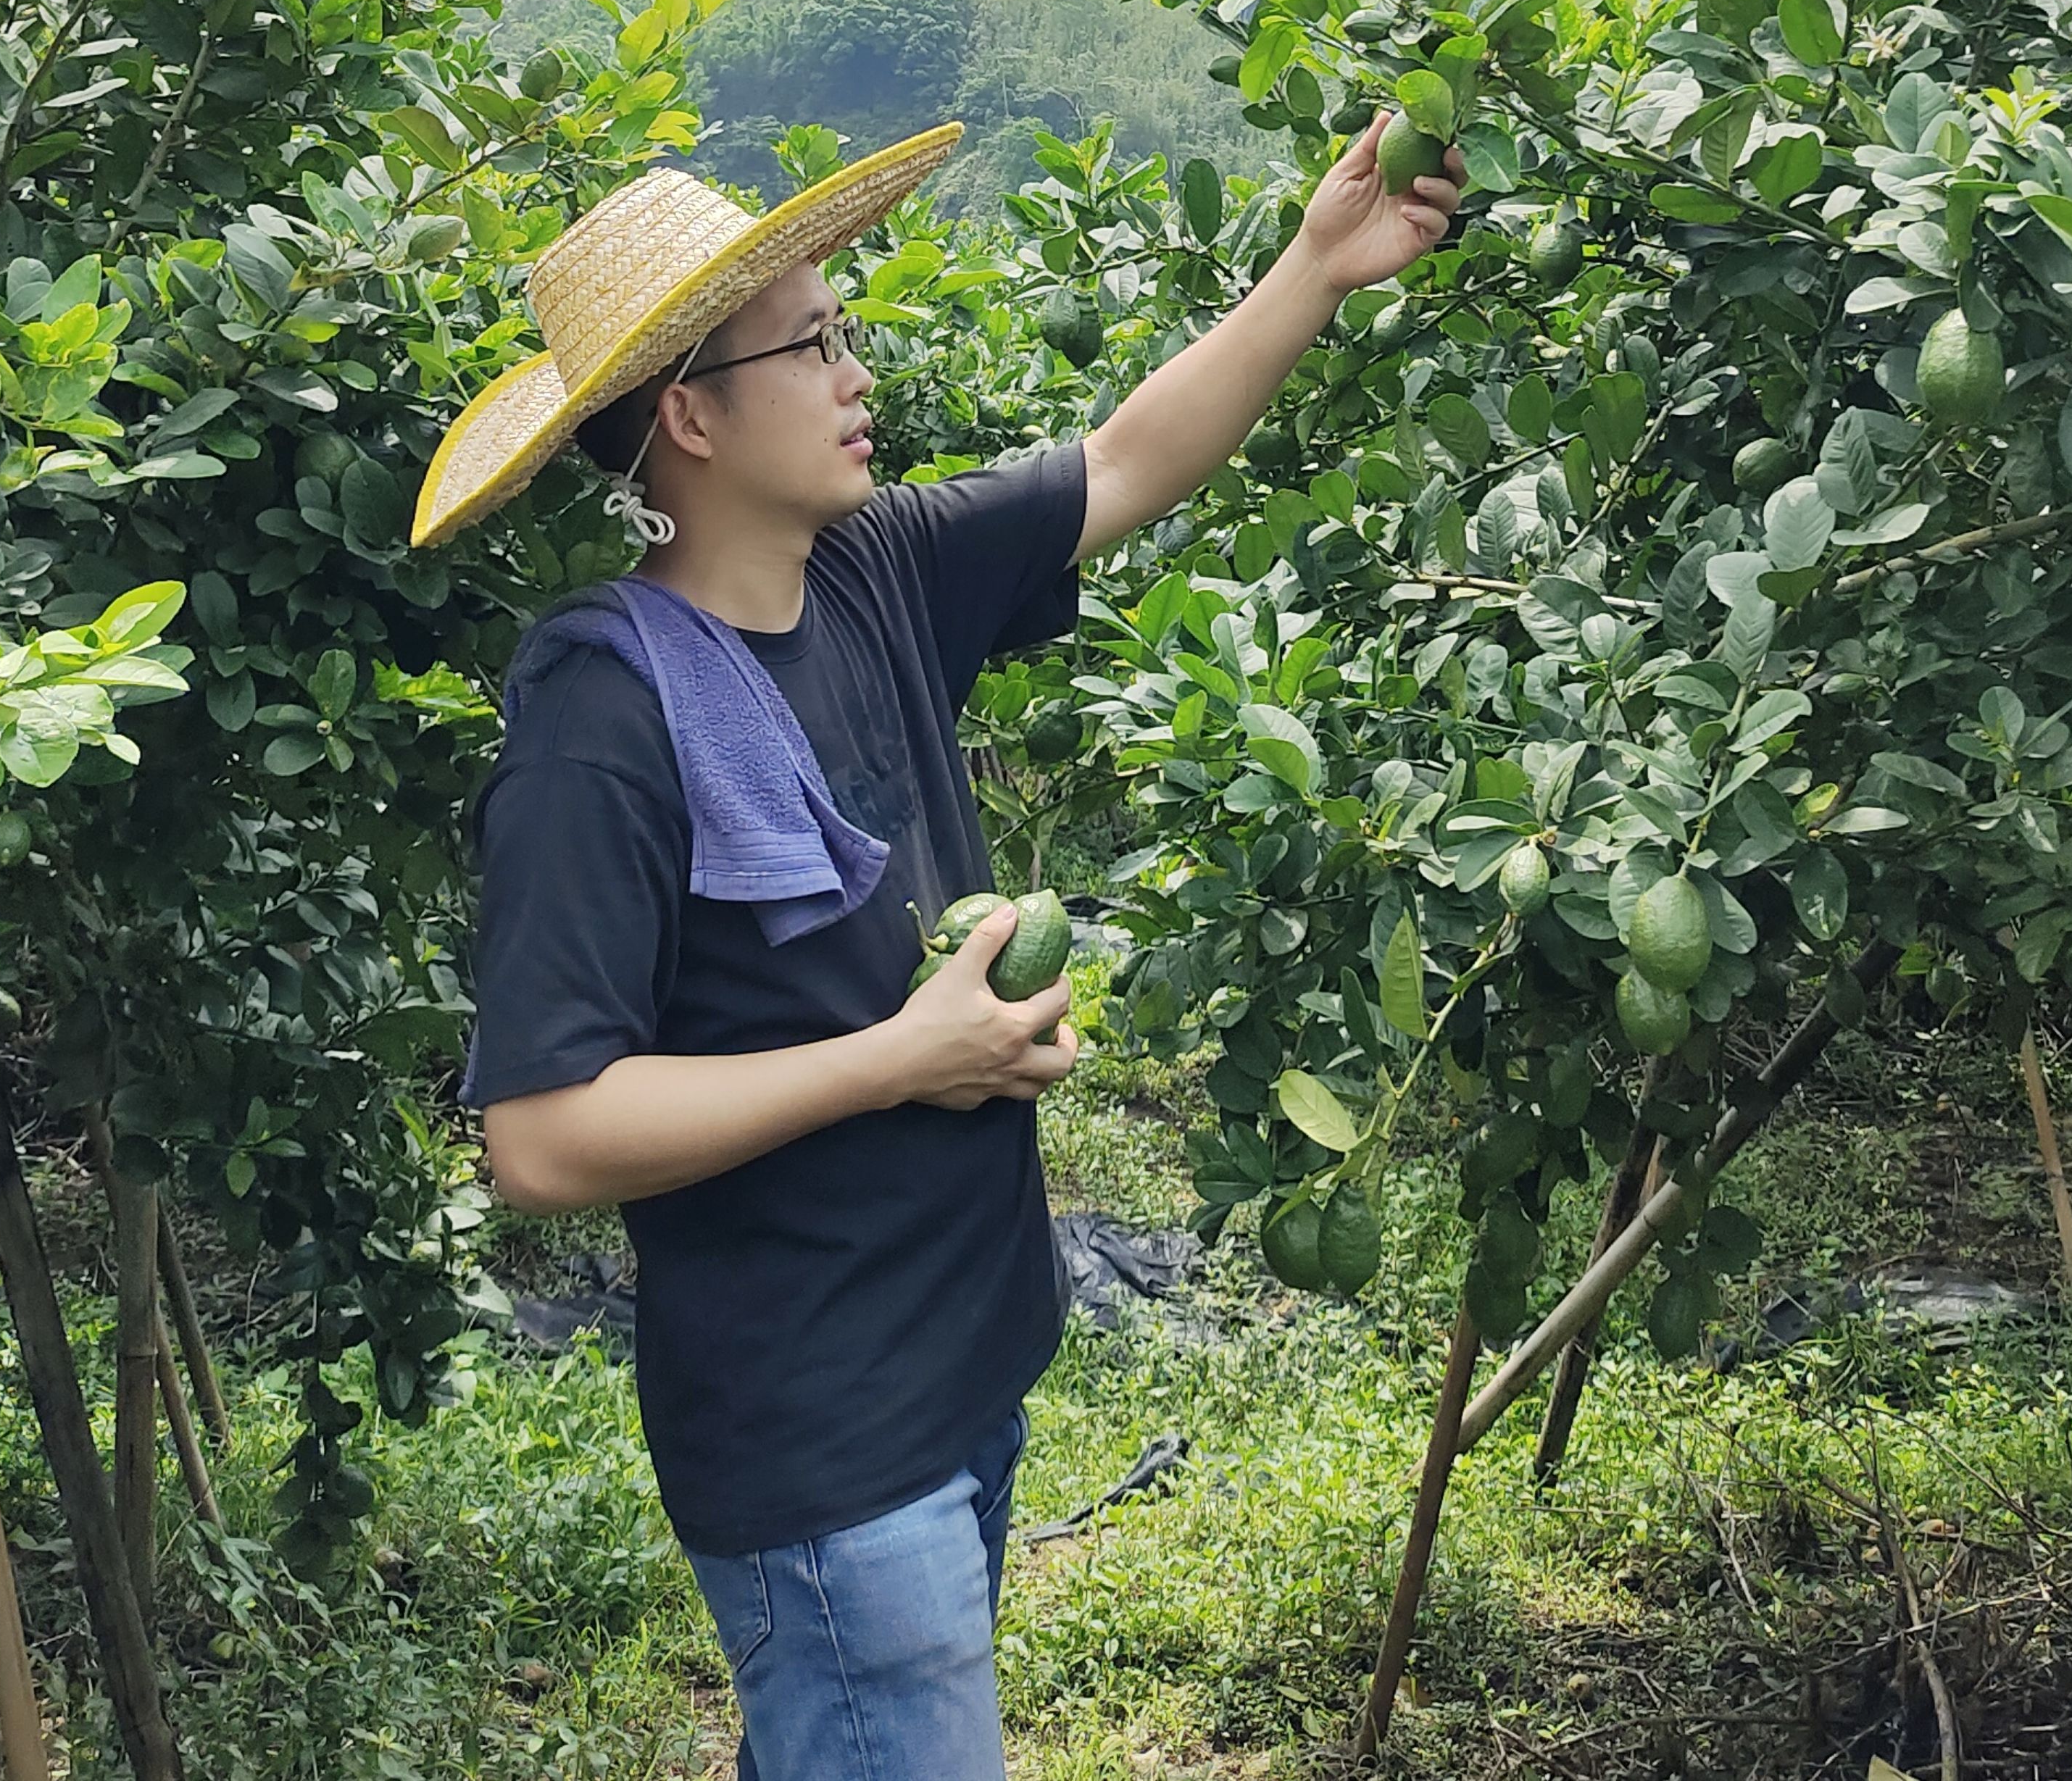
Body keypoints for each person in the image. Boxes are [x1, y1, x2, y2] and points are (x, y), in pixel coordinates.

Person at [409, 109, 1463, 1780]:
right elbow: (542, 1138)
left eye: (843, 331)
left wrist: (1318, 265)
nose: (856, 372)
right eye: (811, 344)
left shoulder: (872, 570)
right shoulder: (600, 725)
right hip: (823, 1436)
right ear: (689, 415)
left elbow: (1124, 466)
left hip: (964, 1358)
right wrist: (903, 1059)